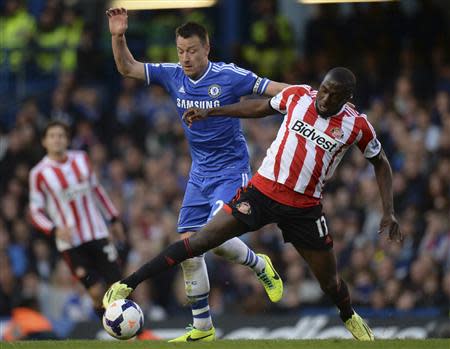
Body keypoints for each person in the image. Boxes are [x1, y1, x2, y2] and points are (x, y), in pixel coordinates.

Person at [104, 67, 403, 340]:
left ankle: (349, 316)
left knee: (330, 282)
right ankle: (129, 283)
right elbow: (259, 106)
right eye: (323, 89)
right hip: (261, 193)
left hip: (305, 208)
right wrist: (214, 112)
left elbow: (381, 162)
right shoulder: (299, 95)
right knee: (200, 240)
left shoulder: (357, 125)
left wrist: (388, 211)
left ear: (347, 97)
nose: (324, 98)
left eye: (333, 95)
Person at [106, 7, 287, 342]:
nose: (185, 58)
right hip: (199, 172)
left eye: (191, 51)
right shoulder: (173, 74)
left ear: (207, 49)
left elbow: (276, 89)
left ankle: (260, 265)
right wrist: (119, 36)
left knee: (212, 240)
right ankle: (202, 326)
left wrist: (315, 97)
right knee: (191, 247)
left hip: (231, 170)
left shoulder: (230, 76)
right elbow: (126, 67)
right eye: (180, 51)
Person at [28, 121, 126, 318]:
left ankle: (128, 334)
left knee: (119, 287)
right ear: (44, 142)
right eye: (52, 136)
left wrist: (113, 219)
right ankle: (108, 329)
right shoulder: (38, 173)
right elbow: (35, 211)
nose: (57, 139)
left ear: (67, 139)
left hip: (97, 232)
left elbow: (97, 190)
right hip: (70, 242)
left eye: (61, 135)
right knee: (96, 291)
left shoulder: (81, 158)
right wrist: (54, 229)